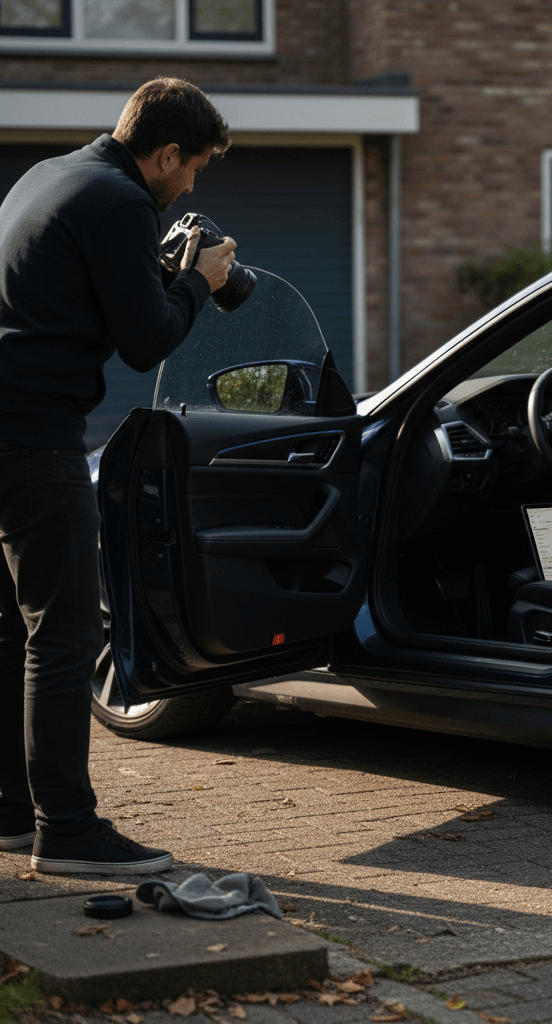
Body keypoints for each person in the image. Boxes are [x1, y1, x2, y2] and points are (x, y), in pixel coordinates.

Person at [0, 78, 237, 875]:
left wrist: (161, 273)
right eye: (195, 165)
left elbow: (67, 300)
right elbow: (147, 340)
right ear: (166, 153)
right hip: (33, 438)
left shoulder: (48, 176)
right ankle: (67, 831)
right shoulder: (123, 204)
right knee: (67, 633)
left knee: (15, 628)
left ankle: (11, 813)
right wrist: (195, 282)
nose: (192, 183)